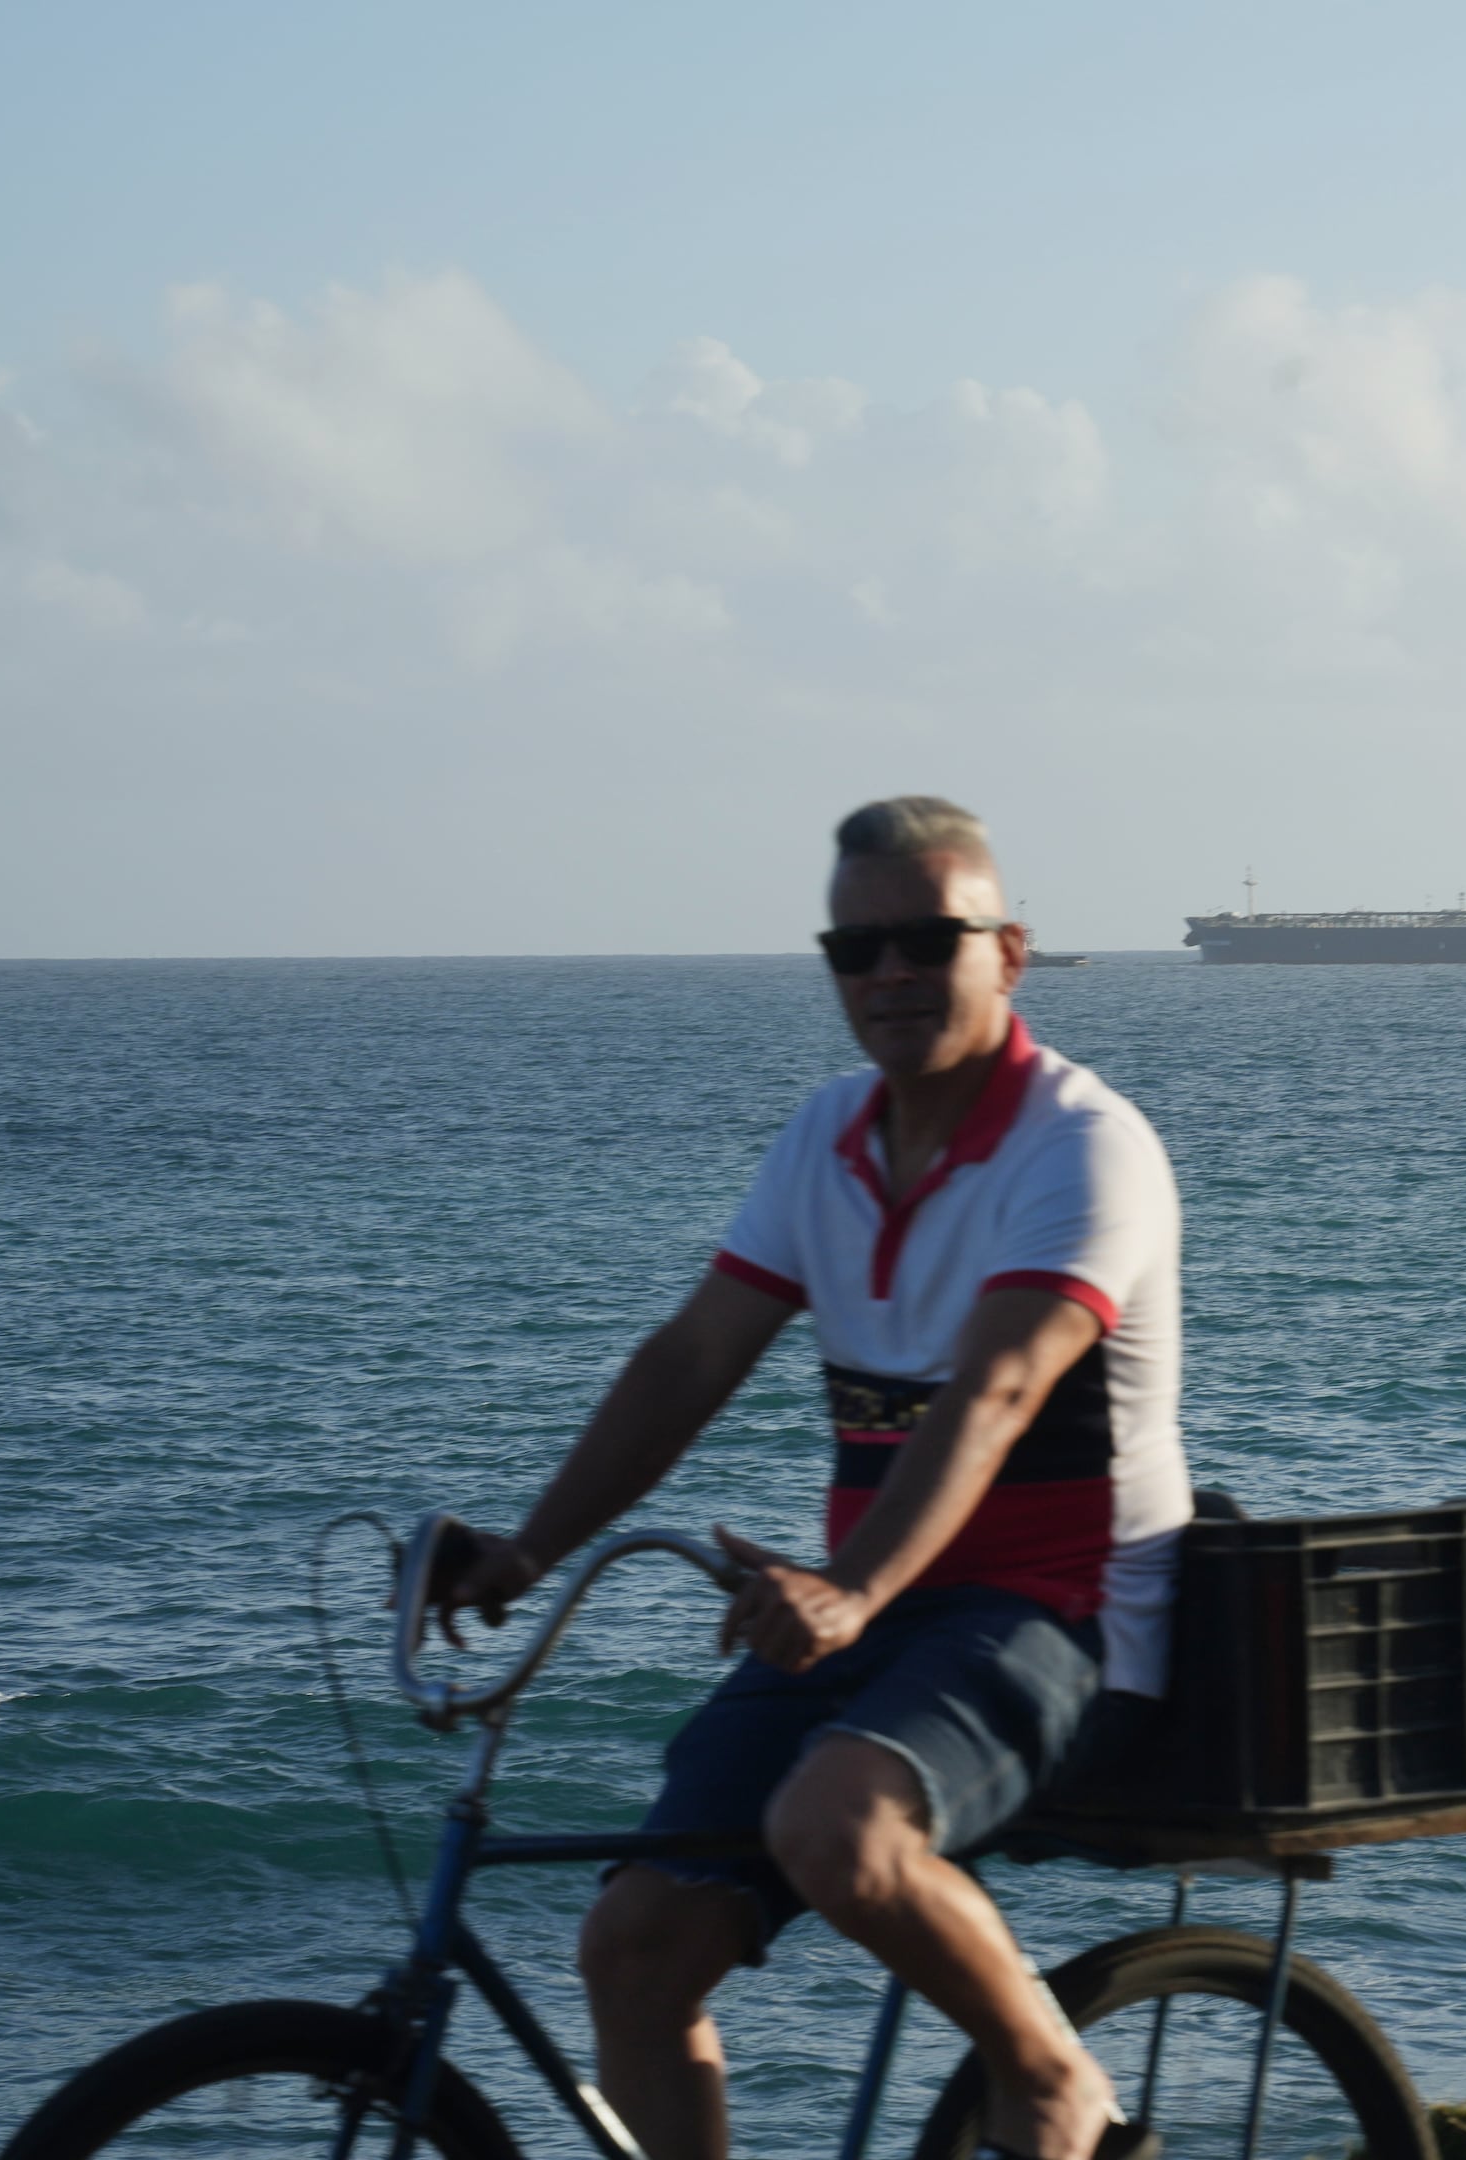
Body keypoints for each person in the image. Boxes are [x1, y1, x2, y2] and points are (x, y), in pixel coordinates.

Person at [425, 796, 1185, 2160]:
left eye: (927, 940)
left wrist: (850, 1589)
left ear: (1009, 953)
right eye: (854, 948)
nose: (889, 972)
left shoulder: (1080, 1143)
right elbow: (692, 1358)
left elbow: (1000, 1390)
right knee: (632, 1947)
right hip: (875, 1611)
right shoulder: (828, 1137)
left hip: (1061, 1613)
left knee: (836, 1829)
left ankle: (1047, 2078)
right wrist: (528, 1552)